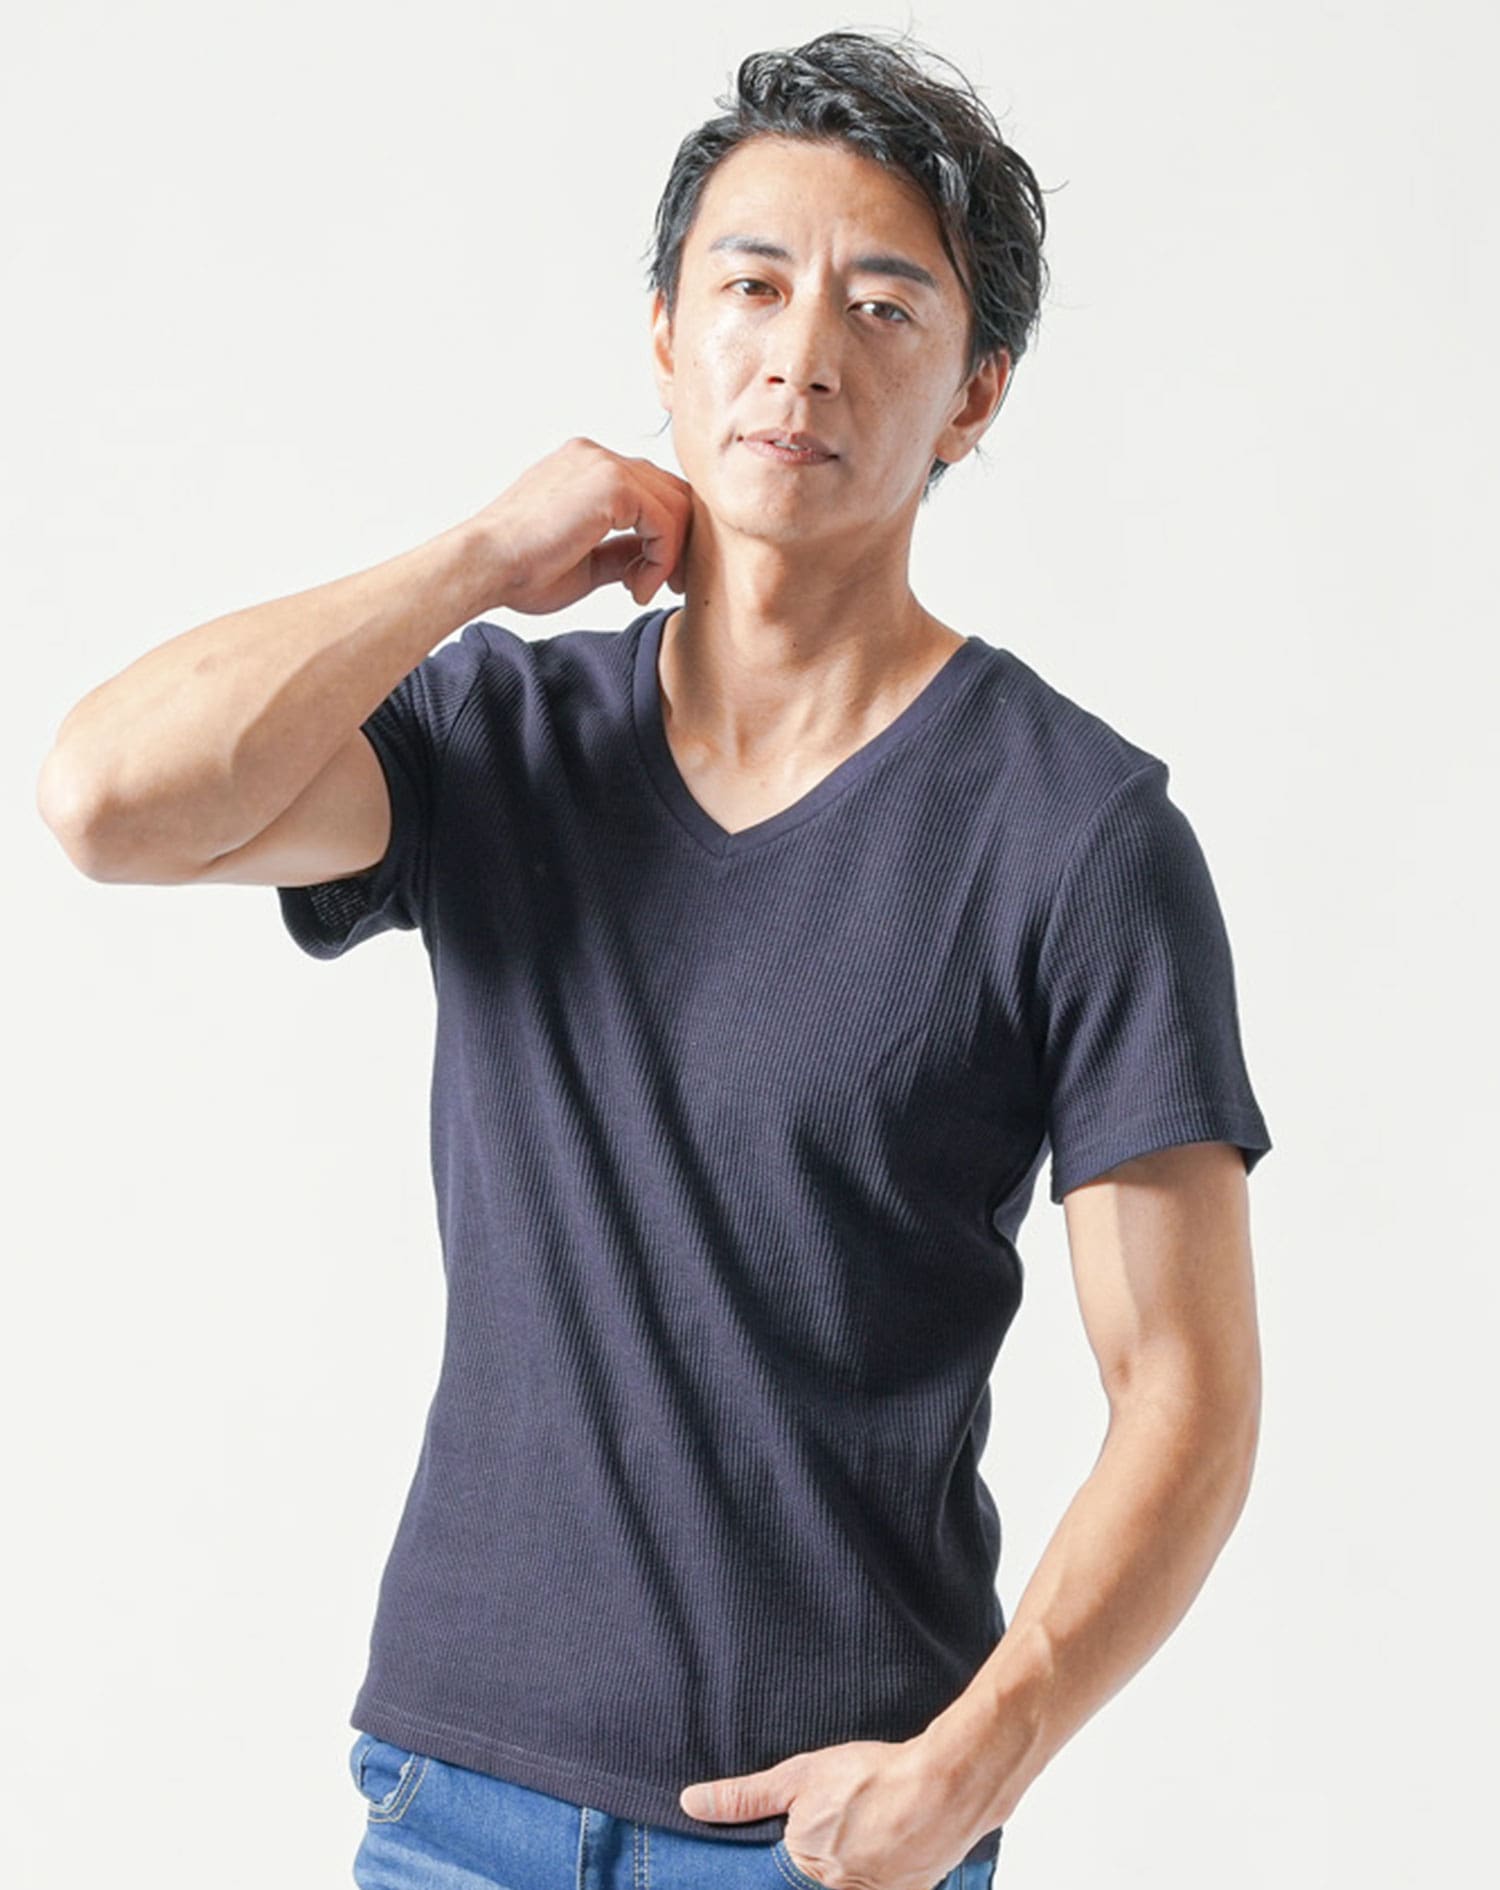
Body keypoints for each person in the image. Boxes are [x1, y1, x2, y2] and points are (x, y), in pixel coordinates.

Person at [37, 28, 1272, 1890]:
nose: (803, 352)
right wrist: (477, 555)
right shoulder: (498, 739)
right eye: (751, 285)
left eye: (883, 305)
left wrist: (971, 1766)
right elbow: (105, 799)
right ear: (667, 338)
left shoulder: (1077, 835)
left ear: (974, 396)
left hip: (821, 1842)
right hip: (452, 1806)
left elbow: (1186, 1392)